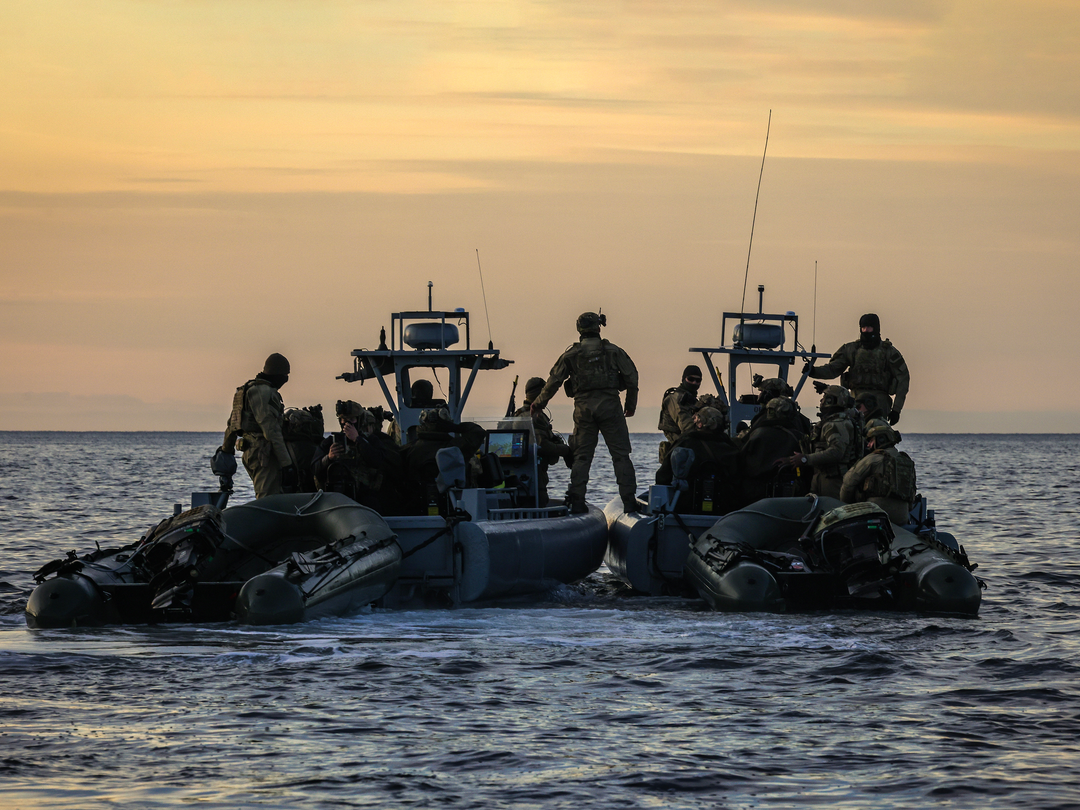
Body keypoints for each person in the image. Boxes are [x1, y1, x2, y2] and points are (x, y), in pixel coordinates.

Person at [531, 311, 639, 514]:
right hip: (611, 408)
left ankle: (577, 501)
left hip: (584, 411)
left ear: (579, 329)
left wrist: (538, 404)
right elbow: (632, 378)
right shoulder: (613, 351)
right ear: (598, 328)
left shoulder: (571, 355)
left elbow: (553, 382)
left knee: (581, 457)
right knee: (621, 457)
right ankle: (629, 503)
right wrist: (630, 405)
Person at [806, 313, 910, 425]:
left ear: (876, 329)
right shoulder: (851, 350)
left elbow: (903, 379)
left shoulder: (889, 352)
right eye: (863, 328)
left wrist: (896, 409)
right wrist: (814, 371)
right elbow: (833, 369)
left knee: (877, 431)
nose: (866, 331)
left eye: (869, 328)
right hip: (855, 399)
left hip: (879, 402)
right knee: (852, 430)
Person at [219, 353, 297, 499]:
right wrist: (287, 464)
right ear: (278, 375)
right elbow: (271, 431)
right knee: (268, 500)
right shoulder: (265, 392)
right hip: (263, 455)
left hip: (250, 452)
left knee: (267, 496)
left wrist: (226, 451)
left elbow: (232, 426)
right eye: (285, 376)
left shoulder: (244, 391)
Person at [311, 400, 403, 512]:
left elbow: (377, 461)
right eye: (343, 419)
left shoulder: (372, 441)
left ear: (359, 420)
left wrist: (357, 440)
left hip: (366, 500)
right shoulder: (329, 443)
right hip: (337, 500)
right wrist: (329, 458)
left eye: (351, 420)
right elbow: (315, 469)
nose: (347, 423)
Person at [400, 408, 487, 515]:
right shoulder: (457, 447)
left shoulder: (409, 449)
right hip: (454, 508)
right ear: (446, 424)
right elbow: (478, 432)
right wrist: (455, 427)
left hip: (415, 510)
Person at [655, 407, 739, 514]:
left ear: (700, 423)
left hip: (685, 509)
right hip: (725, 511)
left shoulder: (685, 443)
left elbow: (663, 477)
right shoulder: (731, 448)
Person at [780, 385, 859, 499]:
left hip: (833, 481)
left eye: (825, 397)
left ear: (830, 400)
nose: (822, 400)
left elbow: (836, 452)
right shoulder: (830, 423)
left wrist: (805, 459)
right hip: (821, 477)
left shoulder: (836, 424)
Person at [840, 421, 917, 525]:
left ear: (881, 440)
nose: (868, 445)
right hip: (902, 517)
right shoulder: (906, 461)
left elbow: (848, 482)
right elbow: (912, 493)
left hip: (875, 513)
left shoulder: (872, 459)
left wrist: (845, 506)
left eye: (871, 440)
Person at [737, 396, 809, 505]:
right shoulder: (798, 437)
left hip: (755, 494)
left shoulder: (757, 434)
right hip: (788, 496)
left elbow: (742, 460)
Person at [513, 377, 572, 507]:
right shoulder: (534, 416)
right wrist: (566, 451)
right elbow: (542, 445)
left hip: (522, 473)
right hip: (535, 474)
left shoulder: (518, 415)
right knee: (539, 503)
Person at [658, 365, 728, 464]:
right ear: (684, 379)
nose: (694, 383)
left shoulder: (692, 399)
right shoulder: (675, 399)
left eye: (698, 380)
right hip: (680, 448)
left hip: (692, 444)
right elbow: (688, 428)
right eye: (691, 379)